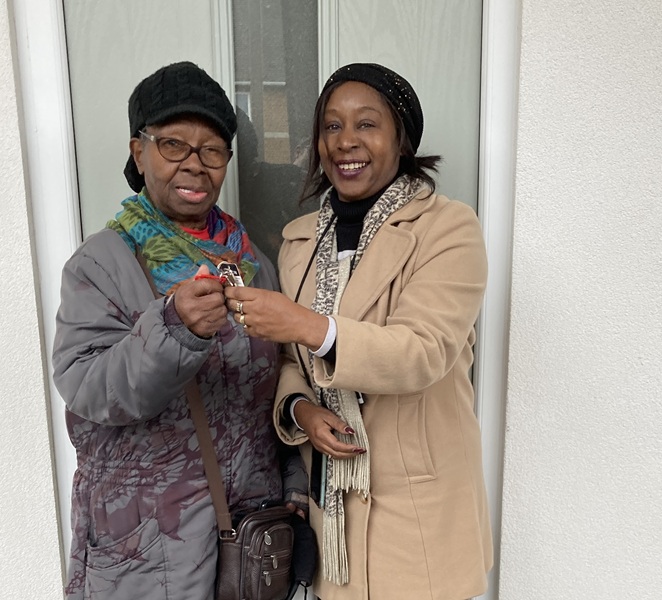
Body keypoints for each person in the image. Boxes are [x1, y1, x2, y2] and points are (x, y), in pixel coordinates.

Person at [223, 63, 493, 600]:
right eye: (332, 125)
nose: (345, 141)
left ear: (402, 140)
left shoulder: (448, 229)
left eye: (366, 124)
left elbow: (423, 352)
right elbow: (290, 362)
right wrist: (302, 411)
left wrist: (305, 324)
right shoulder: (300, 241)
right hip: (335, 522)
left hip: (418, 518)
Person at [52, 61, 305, 600]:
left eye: (212, 150)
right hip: (146, 552)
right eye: (173, 145)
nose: (194, 164)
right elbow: (87, 388)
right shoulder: (101, 264)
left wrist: (294, 486)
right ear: (138, 151)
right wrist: (174, 329)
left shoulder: (251, 262)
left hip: (247, 545)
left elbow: (275, 384)